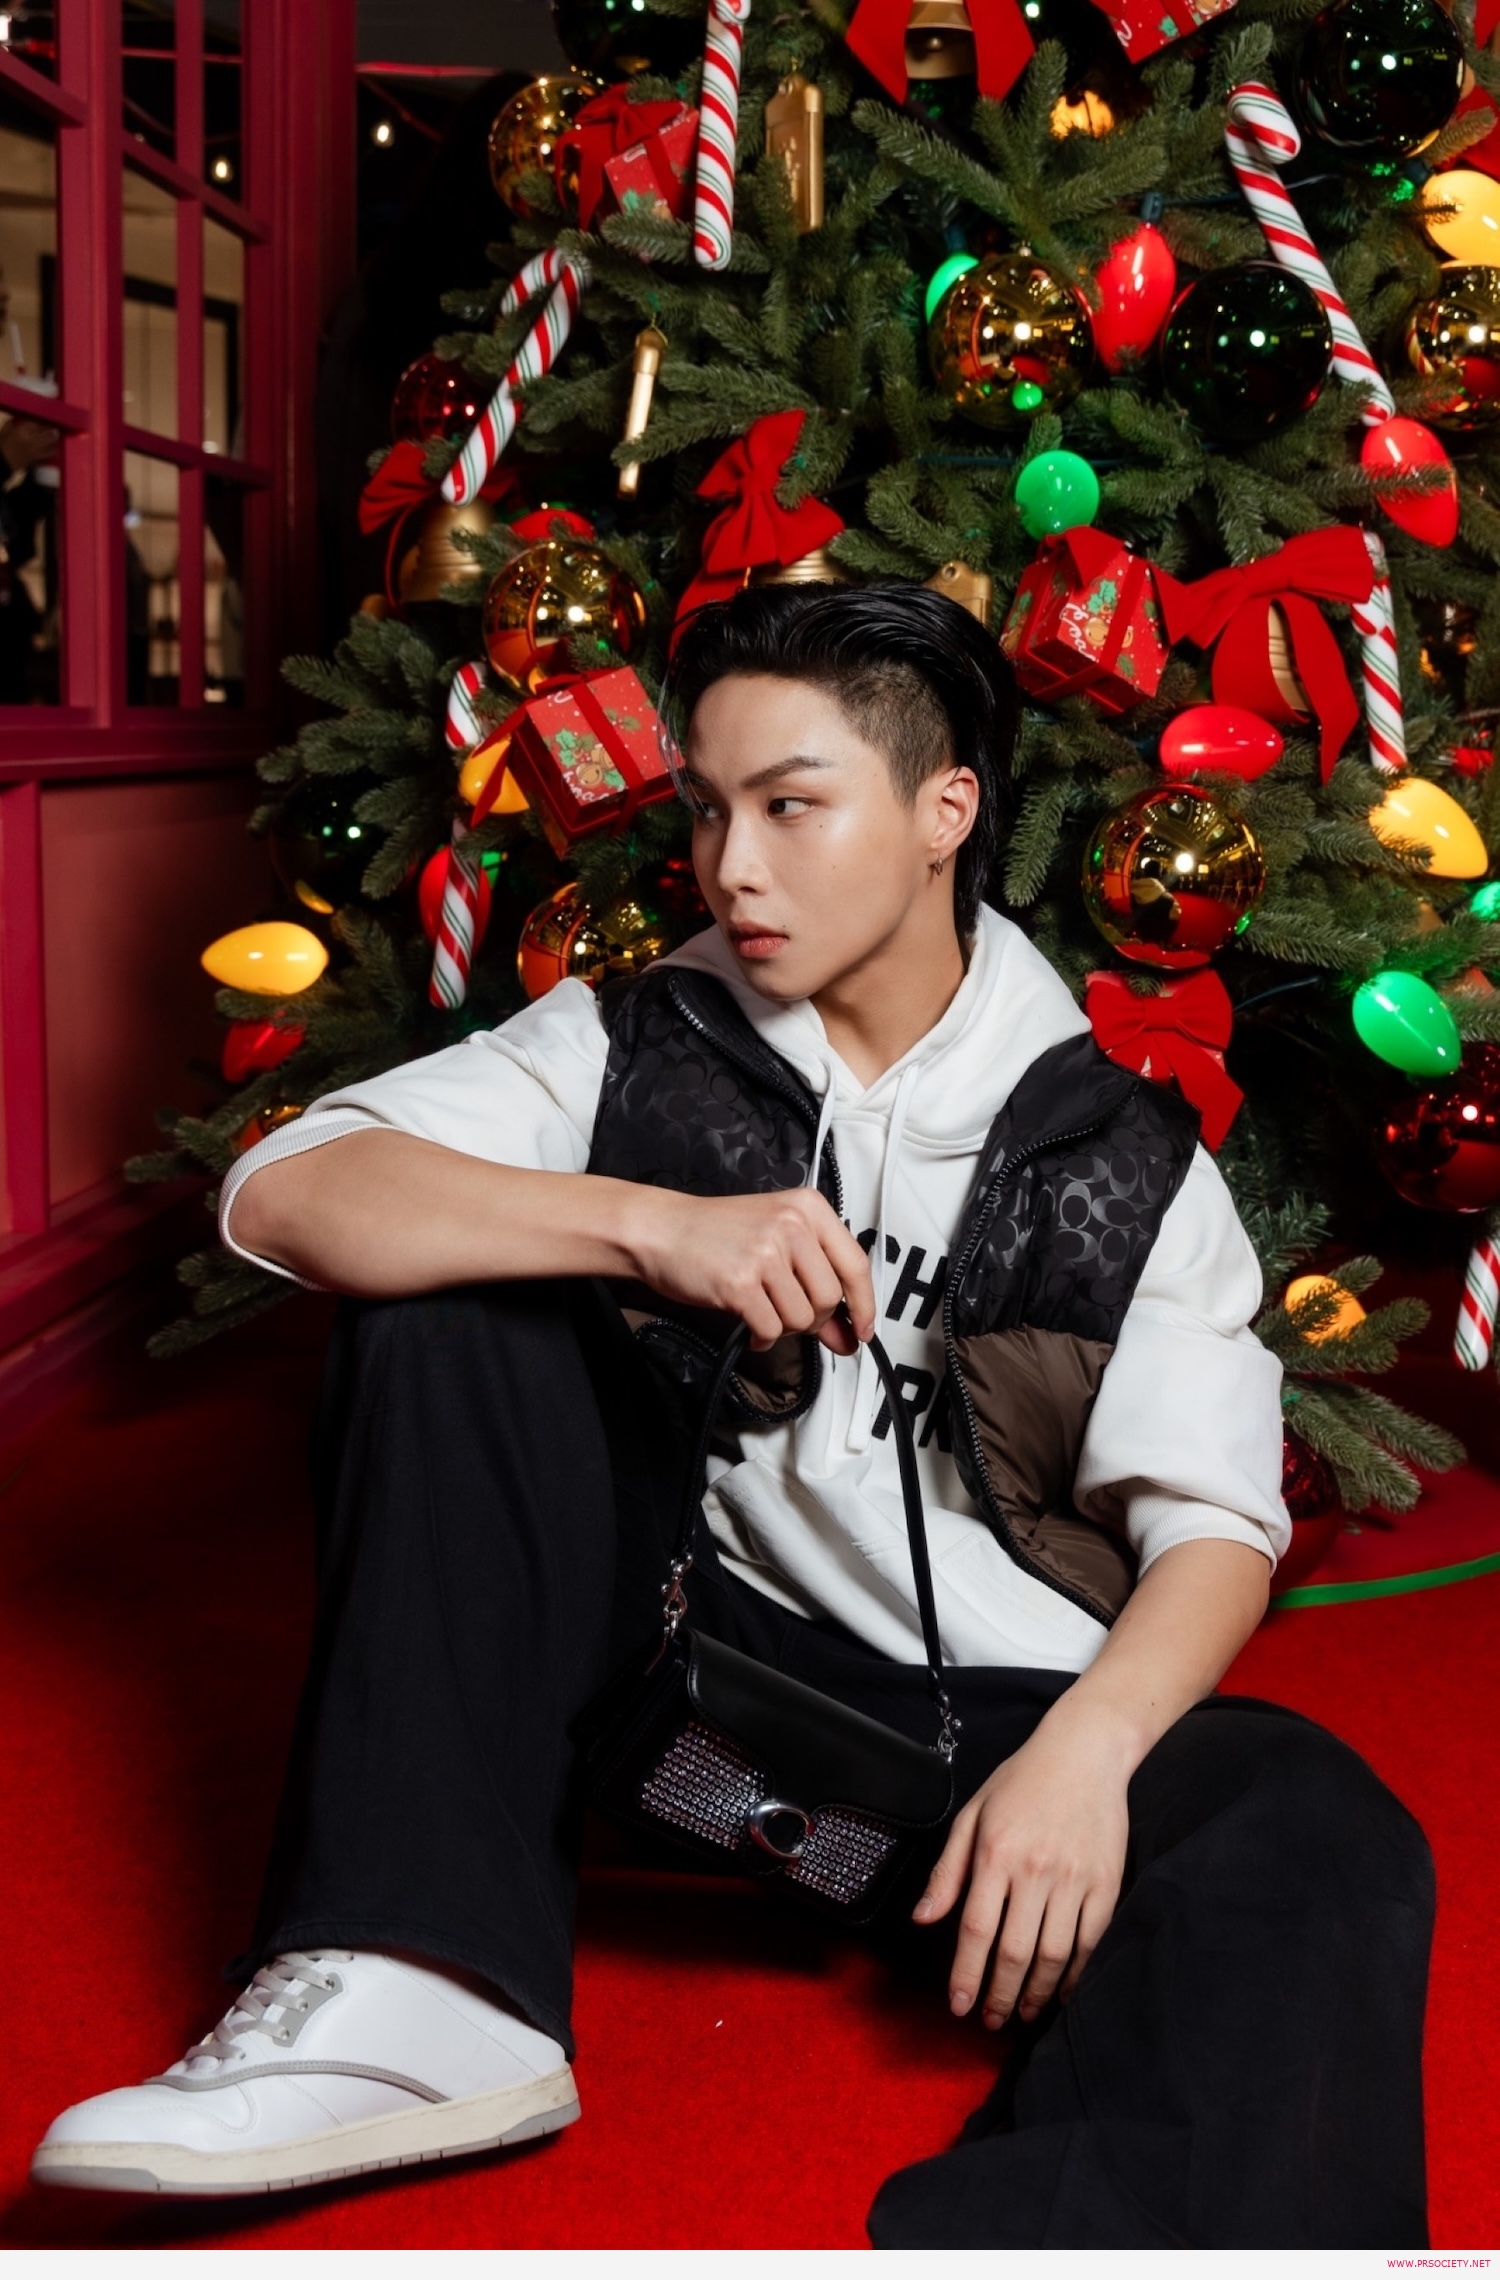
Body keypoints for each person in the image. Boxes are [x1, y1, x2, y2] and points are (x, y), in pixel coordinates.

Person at [31, 585, 1433, 2246]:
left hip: (963, 1774)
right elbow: (287, 1190)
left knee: (1313, 1818)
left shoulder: (1120, 1160)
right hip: (662, 1694)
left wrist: (1086, 1757)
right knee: (458, 1297)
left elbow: (1214, 1528)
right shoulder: (640, 1040)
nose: (731, 866)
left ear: (944, 812)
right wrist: (651, 1226)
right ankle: (423, 1984)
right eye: (706, 808)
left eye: (790, 806)